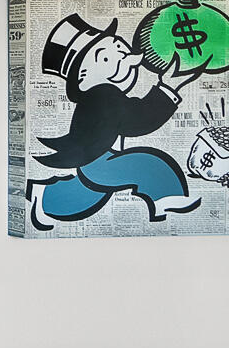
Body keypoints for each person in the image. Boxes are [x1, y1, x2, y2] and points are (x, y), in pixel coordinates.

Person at [27, 13, 203, 229]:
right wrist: (167, 88)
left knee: (87, 195)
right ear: (83, 77)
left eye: (119, 47)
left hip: (95, 158)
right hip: (98, 160)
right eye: (107, 57)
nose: (122, 55)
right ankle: (166, 196)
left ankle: (45, 197)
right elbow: (137, 119)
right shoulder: (104, 95)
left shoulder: (100, 94)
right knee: (148, 165)